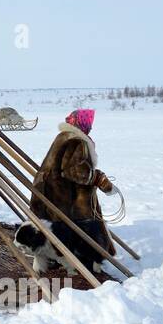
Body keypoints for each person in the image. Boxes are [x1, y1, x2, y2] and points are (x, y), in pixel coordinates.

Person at [15, 108, 116, 274]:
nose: (90, 127)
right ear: (83, 124)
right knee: (74, 231)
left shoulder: (64, 136)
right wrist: (98, 178)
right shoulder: (77, 141)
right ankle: (82, 262)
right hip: (59, 195)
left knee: (50, 230)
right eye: (88, 124)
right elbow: (75, 172)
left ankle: (52, 260)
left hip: (47, 191)